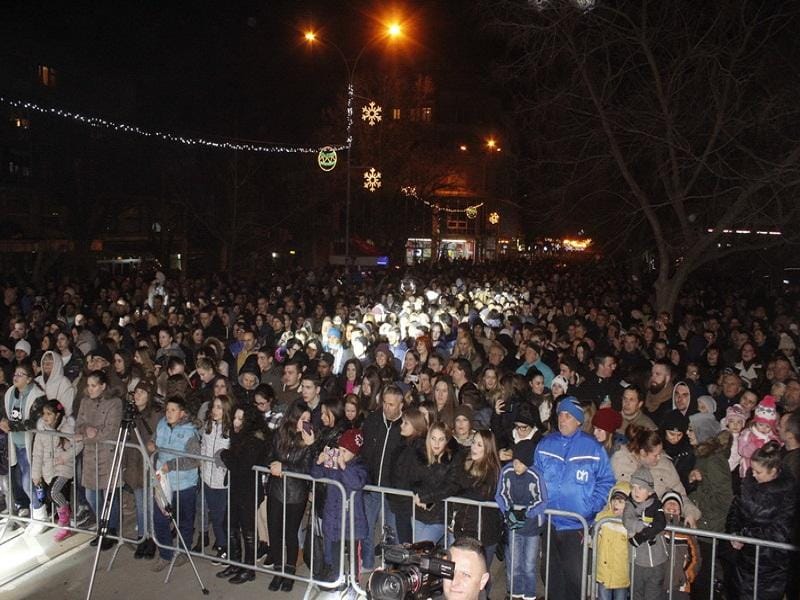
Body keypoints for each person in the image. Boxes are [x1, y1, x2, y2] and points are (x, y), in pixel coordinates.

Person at [534, 396, 615, 600]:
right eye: (560, 414)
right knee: (550, 575)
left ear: (579, 420)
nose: (562, 419)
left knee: (574, 578)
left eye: (568, 415)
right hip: (550, 522)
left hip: (576, 526)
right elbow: (535, 477)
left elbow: (606, 481)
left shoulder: (593, 448)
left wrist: (589, 506)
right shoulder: (545, 444)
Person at [726, 441, 796, 600]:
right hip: (744, 561)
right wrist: (733, 532)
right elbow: (736, 508)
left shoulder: (788, 494)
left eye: (758, 472)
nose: (753, 474)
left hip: (770, 565)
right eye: (753, 470)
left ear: (773, 471)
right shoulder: (749, 482)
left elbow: (781, 530)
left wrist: (746, 535)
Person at [216, 405, 270, 584]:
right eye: (235, 418)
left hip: (248, 490)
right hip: (236, 487)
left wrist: (224, 455)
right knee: (229, 524)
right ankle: (235, 562)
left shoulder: (255, 440)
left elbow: (241, 466)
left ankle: (249, 568)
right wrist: (228, 456)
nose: (236, 422)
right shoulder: (239, 436)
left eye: (240, 419)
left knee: (247, 529)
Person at [266, 401, 315, 592]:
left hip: (296, 493)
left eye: (308, 420)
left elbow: (307, 469)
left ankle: (290, 571)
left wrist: (284, 467)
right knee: (275, 531)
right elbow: (269, 455)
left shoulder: (308, 440)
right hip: (276, 490)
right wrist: (273, 463)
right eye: (302, 419)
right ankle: (278, 570)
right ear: (293, 418)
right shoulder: (280, 434)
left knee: (290, 533)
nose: (305, 423)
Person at [148, 395, 200, 572]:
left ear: (182, 413)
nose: (169, 413)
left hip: (185, 483)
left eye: (173, 410)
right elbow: (154, 440)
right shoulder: (162, 424)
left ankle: (185, 551)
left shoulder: (190, 432)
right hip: (164, 482)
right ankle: (165, 553)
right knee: (160, 518)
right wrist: (151, 444)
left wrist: (171, 465)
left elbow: (194, 460)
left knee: (185, 520)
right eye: (167, 409)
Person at [310, 427, 368, 585]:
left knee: (354, 555)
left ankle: (354, 581)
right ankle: (336, 577)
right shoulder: (333, 463)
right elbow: (316, 475)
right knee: (334, 551)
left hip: (353, 519)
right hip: (334, 516)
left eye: (345, 451)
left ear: (355, 453)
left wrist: (344, 467)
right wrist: (319, 462)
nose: (340, 454)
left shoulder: (359, 467)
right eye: (339, 450)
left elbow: (356, 483)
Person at [74, 369, 123, 550]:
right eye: (89, 385)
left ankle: (111, 530)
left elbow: (110, 431)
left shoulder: (115, 403)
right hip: (89, 455)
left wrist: (87, 435)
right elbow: (78, 425)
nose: (90, 389)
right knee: (91, 495)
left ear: (103, 386)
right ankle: (101, 526)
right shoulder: (85, 402)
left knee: (109, 494)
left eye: (94, 386)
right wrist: (87, 429)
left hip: (107, 453)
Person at [494, 438, 548, 600]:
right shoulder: (507, 471)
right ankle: (515, 593)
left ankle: (529, 594)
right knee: (514, 562)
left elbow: (542, 499)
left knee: (529, 564)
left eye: (520, 463)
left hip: (531, 527)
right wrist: (508, 511)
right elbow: (500, 494)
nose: (516, 465)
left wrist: (527, 512)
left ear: (528, 462)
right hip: (513, 524)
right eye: (515, 461)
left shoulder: (535, 475)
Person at [361, 384, 404, 571]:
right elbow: (365, 450)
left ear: (401, 405)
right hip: (371, 485)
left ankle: (391, 568)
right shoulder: (373, 420)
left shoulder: (406, 427)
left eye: (392, 405)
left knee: (393, 532)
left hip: (393, 491)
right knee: (367, 527)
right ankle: (368, 563)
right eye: (385, 403)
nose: (387, 408)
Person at [31, 399, 82, 541]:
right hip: (48, 470)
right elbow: (37, 454)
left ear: (57, 415)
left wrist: (65, 457)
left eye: (49, 414)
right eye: (44, 414)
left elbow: (78, 445)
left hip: (64, 468)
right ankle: (66, 527)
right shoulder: (41, 432)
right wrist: (36, 474)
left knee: (53, 492)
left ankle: (64, 519)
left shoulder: (67, 429)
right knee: (57, 496)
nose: (45, 417)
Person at [1, 361, 46, 519]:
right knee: (21, 482)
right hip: (16, 444)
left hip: (33, 445)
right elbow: (5, 414)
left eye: (21, 374)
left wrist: (11, 426)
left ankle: (41, 512)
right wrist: (4, 422)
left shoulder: (38, 397)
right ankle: (33, 510)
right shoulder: (9, 393)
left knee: (31, 481)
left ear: (29, 379)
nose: (16, 377)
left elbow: (33, 422)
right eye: (15, 374)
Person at [124, 379, 161, 559]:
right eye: (136, 392)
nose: (137, 396)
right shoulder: (130, 414)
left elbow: (157, 438)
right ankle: (142, 537)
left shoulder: (155, 415)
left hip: (149, 464)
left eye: (142, 393)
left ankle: (152, 538)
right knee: (140, 504)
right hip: (134, 464)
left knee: (150, 504)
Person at [623, 466, 668, 600]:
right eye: (633, 487)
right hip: (637, 562)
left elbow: (660, 523)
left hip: (657, 561)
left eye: (640, 488)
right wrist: (645, 526)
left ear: (649, 491)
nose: (636, 491)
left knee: (653, 595)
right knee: (636, 594)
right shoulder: (629, 505)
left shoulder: (656, 505)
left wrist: (640, 536)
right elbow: (628, 520)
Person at [198, 395, 233, 563]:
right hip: (208, 478)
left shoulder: (230, 430)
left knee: (221, 516)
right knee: (214, 513)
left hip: (223, 481)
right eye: (214, 406)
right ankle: (221, 543)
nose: (215, 410)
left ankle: (225, 546)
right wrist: (202, 466)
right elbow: (203, 447)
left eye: (219, 407)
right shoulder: (208, 426)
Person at [594, 482, 631, 600]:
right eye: (614, 500)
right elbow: (592, 542)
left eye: (621, 502)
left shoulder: (630, 523)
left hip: (622, 573)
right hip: (604, 572)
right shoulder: (602, 518)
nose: (616, 504)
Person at [661, 490, 701, 599]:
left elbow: (696, 557)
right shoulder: (657, 529)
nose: (672, 505)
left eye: (676, 504)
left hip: (680, 587)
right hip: (658, 585)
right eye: (669, 503)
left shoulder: (686, 532)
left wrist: (687, 575)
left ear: (680, 511)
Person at [737, 394, 780, 477]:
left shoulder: (772, 437)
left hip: (766, 471)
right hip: (749, 469)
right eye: (761, 424)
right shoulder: (747, 434)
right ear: (755, 422)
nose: (764, 428)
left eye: (767, 426)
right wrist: (754, 445)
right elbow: (741, 451)